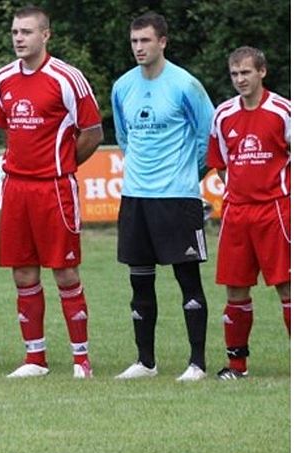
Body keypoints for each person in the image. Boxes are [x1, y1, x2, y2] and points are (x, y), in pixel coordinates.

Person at [0, 6, 102, 378]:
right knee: (23, 273)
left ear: (45, 35)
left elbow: (92, 131)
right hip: (16, 188)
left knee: (65, 272)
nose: (19, 38)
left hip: (54, 189)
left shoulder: (67, 78)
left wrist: (62, 165)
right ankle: (35, 358)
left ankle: (80, 358)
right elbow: (5, 128)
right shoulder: (3, 78)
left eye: (26, 32)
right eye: (14, 32)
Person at [112, 12, 215, 381]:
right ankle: (145, 361)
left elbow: (208, 136)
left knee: (187, 281)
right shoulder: (122, 86)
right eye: (134, 41)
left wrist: (188, 174)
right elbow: (125, 138)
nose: (139, 47)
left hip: (177, 197)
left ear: (163, 42)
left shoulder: (186, 85)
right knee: (139, 281)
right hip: (135, 197)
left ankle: (197, 363)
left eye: (146, 41)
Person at [207, 46, 291, 380]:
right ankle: (237, 365)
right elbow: (222, 164)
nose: (240, 79)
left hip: (276, 211)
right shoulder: (223, 114)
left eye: (246, 72)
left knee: (286, 286)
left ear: (262, 72)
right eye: (235, 74)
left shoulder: (283, 111)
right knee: (236, 289)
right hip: (236, 213)